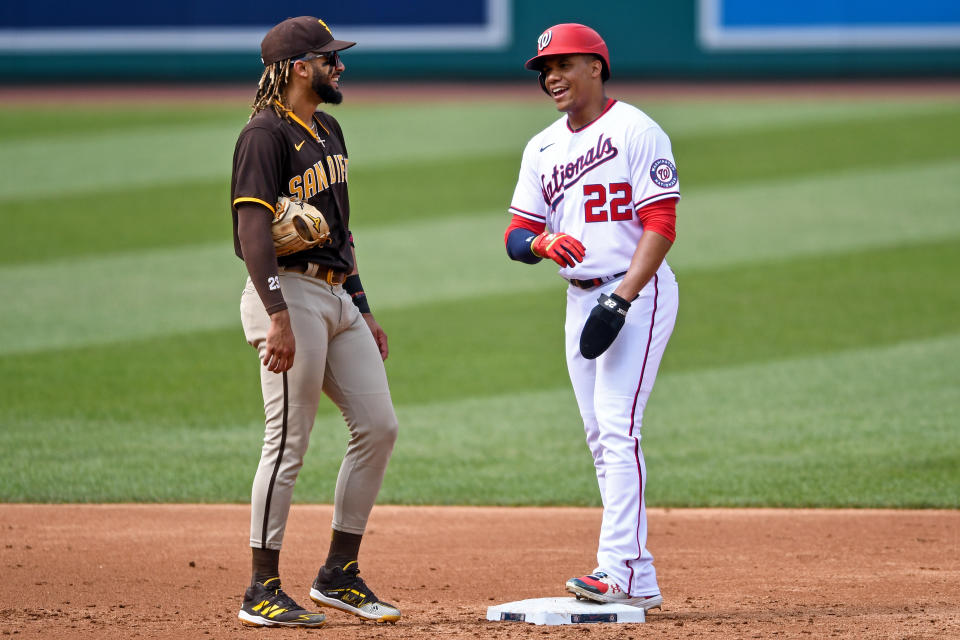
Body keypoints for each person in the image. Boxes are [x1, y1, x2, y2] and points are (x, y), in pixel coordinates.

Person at [230, 16, 400, 628]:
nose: (340, 66)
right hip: (287, 296)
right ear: (301, 67)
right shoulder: (264, 136)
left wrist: (363, 304)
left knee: (378, 427)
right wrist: (277, 315)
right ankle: (262, 587)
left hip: (335, 297)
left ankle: (337, 573)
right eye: (331, 59)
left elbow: (341, 231)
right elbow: (252, 234)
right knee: (288, 443)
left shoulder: (328, 129)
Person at [504, 23, 680, 612]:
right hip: (581, 298)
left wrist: (624, 296)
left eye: (563, 65)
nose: (551, 77)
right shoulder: (541, 147)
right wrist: (541, 244)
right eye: (544, 69)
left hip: (638, 292)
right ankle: (641, 575)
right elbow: (515, 234)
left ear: (597, 67)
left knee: (616, 426)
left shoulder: (636, 129)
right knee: (598, 435)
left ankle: (618, 568)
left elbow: (661, 225)